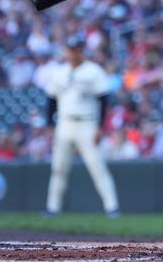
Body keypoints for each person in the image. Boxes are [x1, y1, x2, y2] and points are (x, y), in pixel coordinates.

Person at [43, 35, 120, 217]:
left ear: (82, 51)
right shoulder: (59, 72)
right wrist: (48, 125)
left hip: (87, 123)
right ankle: (52, 208)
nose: (73, 53)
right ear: (66, 52)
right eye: (70, 50)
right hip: (64, 123)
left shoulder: (93, 71)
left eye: (77, 49)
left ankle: (112, 207)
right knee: (58, 168)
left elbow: (104, 100)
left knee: (97, 167)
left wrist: (100, 127)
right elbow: (50, 101)